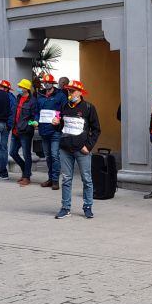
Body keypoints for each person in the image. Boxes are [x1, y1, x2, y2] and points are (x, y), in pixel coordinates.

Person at [54, 81, 101, 219]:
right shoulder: (64, 107)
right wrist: (55, 124)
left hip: (82, 150)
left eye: (73, 91)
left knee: (87, 179)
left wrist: (89, 146)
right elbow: (61, 128)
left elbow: (96, 129)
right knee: (66, 179)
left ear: (80, 92)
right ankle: (65, 207)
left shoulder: (88, 107)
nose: (71, 93)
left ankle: (88, 206)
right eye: (69, 91)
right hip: (65, 148)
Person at [36, 73, 66, 190]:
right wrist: (35, 121)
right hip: (43, 130)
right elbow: (37, 112)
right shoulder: (40, 96)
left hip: (55, 131)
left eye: (49, 82)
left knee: (54, 155)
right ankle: (50, 178)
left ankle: (55, 180)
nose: (46, 84)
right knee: (48, 156)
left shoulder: (60, 95)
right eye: (45, 82)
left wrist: (58, 117)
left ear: (53, 83)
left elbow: (64, 110)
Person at [9, 78, 39, 187]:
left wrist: (29, 124)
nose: (19, 88)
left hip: (25, 132)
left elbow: (34, 116)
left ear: (26, 88)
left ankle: (26, 177)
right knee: (12, 152)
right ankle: (25, 170)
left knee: (27, 155)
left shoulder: (32, 101)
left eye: (21, 87)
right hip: (15, 130)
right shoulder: (18, 97)